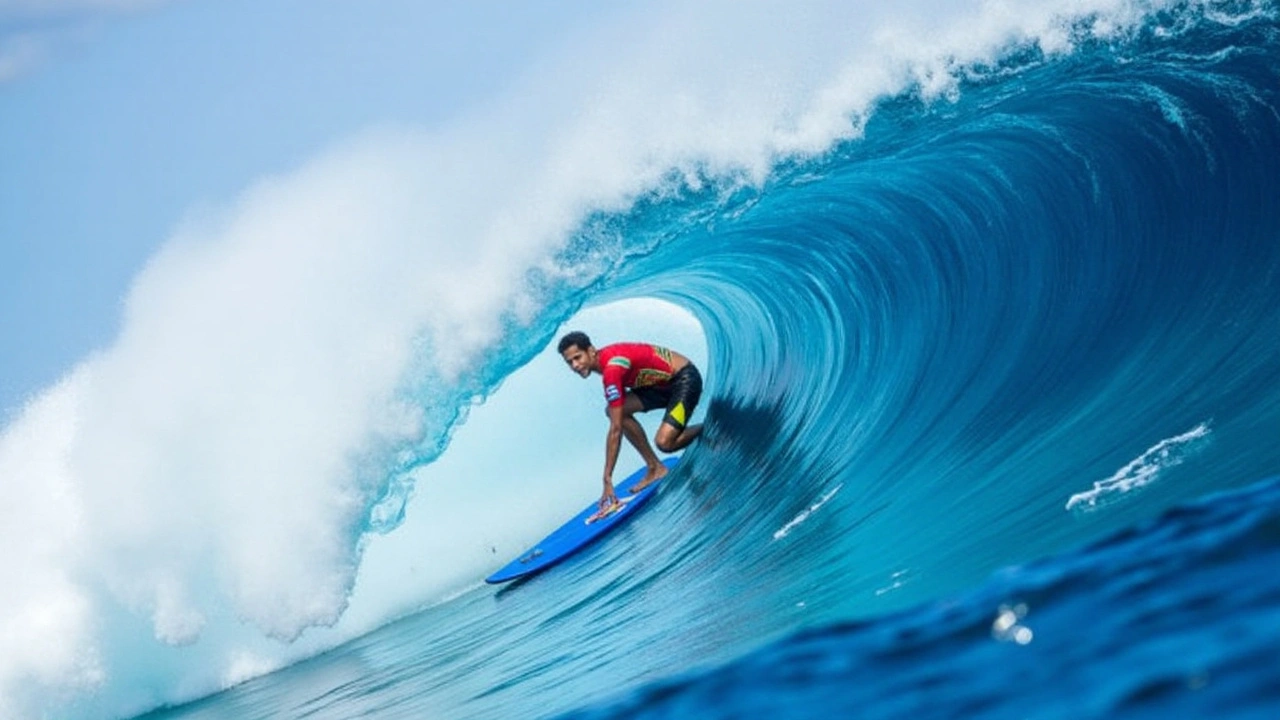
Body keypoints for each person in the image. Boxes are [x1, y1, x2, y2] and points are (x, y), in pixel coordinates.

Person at [557, 331, 703, 513]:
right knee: (613, 411)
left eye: (577, 358)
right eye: (570, 362)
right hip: (659, 387)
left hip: (685, 380)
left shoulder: (612, 370)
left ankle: (709, 427)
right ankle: (655, 467)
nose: (575, 365)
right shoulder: (606, 363)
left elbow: (616, 429)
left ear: (591, 350)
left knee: (665, 443)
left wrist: (607, 478)